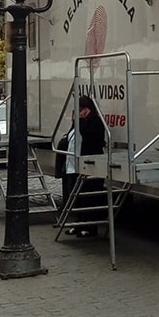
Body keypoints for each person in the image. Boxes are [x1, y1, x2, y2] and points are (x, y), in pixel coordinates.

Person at [61, 95, 106, 237]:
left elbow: (89, 138)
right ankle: (79, 223)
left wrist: (80, 121)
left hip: (90, 164)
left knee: (90, 197)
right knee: (78, 196)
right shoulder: (78, 123)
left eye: (79, 110)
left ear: (86, 110)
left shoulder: (95, 122)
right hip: (75, 164)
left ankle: (90, 226)